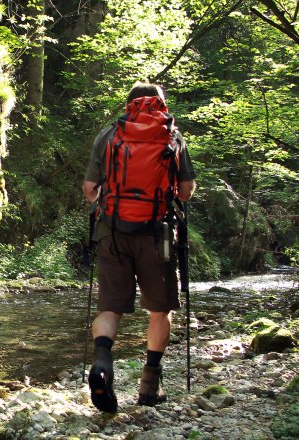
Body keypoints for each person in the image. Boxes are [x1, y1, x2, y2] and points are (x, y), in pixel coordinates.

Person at [81, 82, 197, 412]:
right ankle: (149, 384)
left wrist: (110, 201)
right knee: (160, 310)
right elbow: (186, 191)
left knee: (110, 308)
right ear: (160, 103)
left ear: (129, 104)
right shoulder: (171, 135)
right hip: (156, 235)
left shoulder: (109, 134)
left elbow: (90, 189)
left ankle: (102, 361)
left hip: (112, 233)